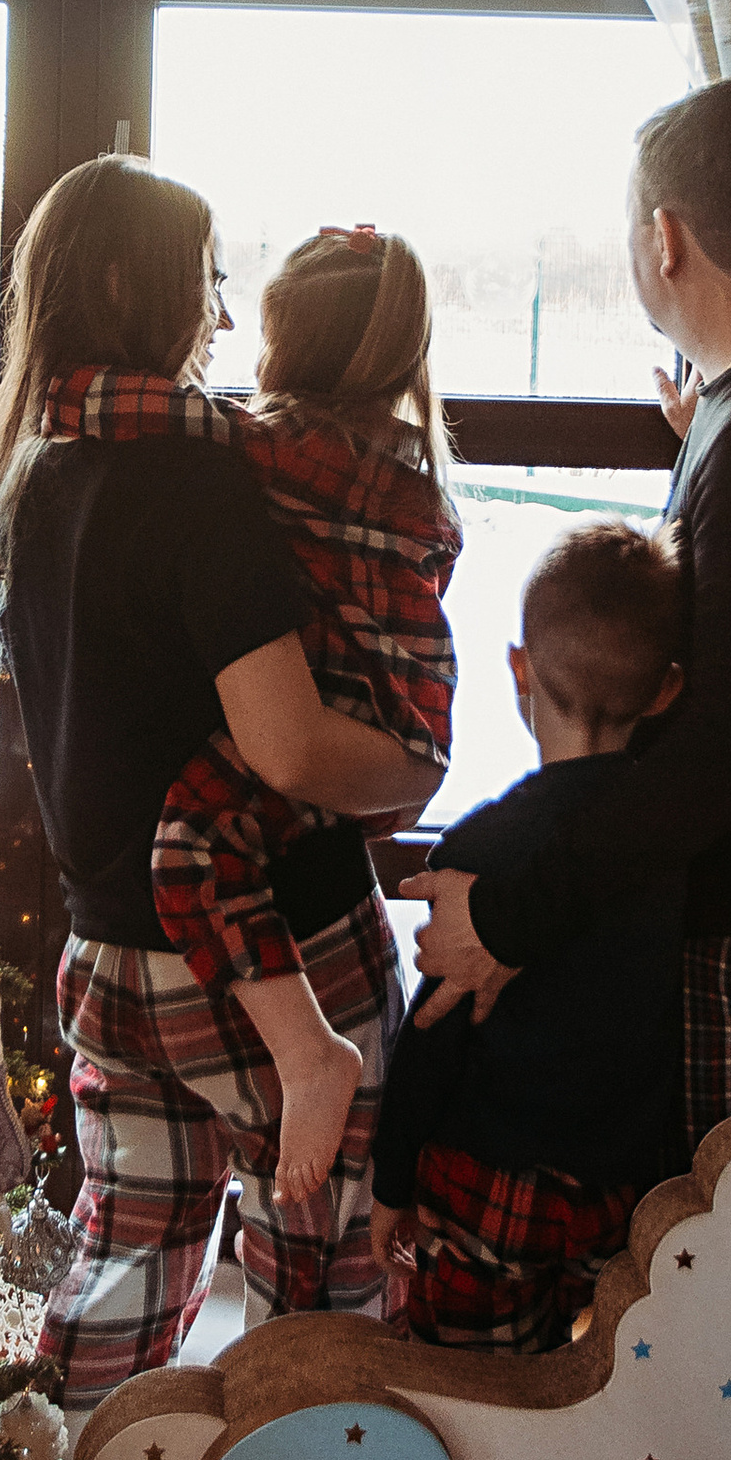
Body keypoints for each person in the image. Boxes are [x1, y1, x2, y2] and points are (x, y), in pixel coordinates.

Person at [407, 80, 731, 1161]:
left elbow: (727, 749)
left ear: (664, 238)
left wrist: (513, 921)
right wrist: (702, 435)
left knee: (702, 1296)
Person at [0, 157, 431, 1409]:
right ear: (135, 282)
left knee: (123, 1263)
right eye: (207, 281)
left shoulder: (43, 472)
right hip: (271, 947)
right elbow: (284, 749)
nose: (222, 317)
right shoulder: (197, 481)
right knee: (323, 1282)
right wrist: (411, 765)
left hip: (113, 954)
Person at [365, 519, 686, 1460]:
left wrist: (394, 1185)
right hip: (613, 1199)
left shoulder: (488, 855)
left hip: (481, 1195)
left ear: (515, 672)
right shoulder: (663, 854)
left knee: (481, 1429)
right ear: (667, 692)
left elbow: (432, 1044)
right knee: (573, 1426)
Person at [143, 224, 461, 1203]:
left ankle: (308, 1054)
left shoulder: (254, 452)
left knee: (191, 844)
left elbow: (137, 410)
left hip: (319, 728)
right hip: (395, 730)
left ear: (280, 350)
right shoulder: (414, 481)